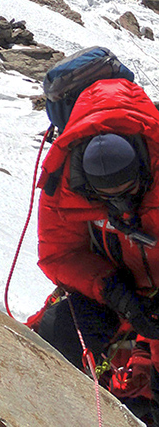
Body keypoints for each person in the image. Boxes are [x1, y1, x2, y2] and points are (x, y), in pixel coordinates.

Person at [35, 77, 159, 417]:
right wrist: (112, 290)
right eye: (107, 196)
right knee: (58, 331)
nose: (120, 203)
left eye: (128, 189)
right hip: (118, 292)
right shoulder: (65, 183)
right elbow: (59, 253)